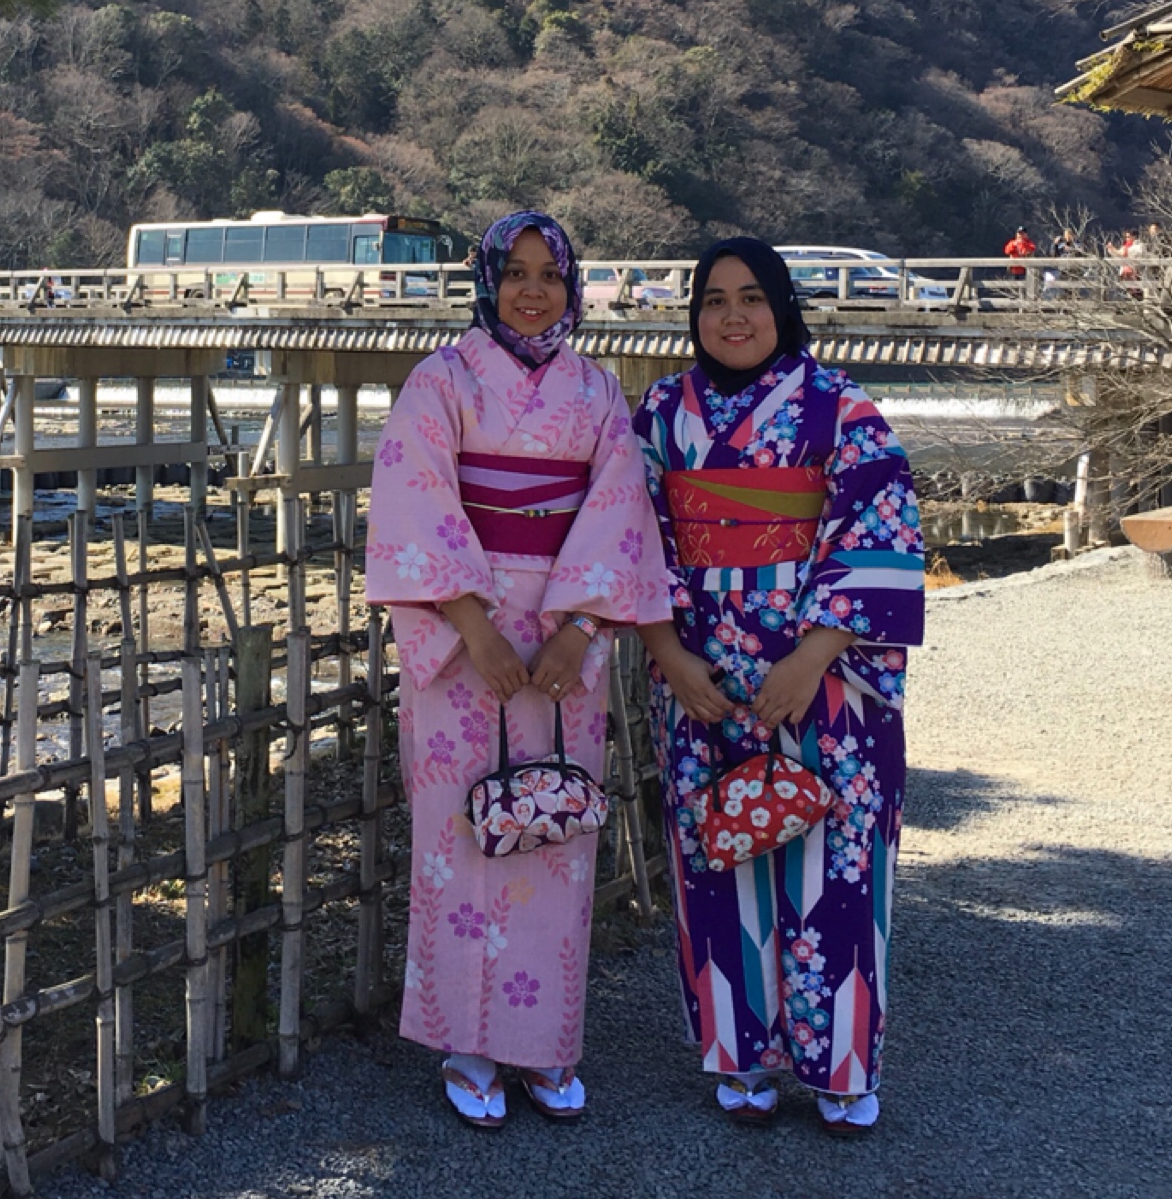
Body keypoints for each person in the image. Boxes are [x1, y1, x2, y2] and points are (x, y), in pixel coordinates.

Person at [365, 211, 670, 1128]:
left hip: (567, 634)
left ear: (572, 287)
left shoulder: (597, 391)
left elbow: (621, 507)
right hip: (460, 633)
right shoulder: (440, 380)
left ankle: (545, 1042)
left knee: (556, 826)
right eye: (516, 272)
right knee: (460, 832)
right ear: (487, 280)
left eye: (550, 274)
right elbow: (413, 497)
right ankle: (465, 1041)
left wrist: (579, 626)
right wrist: (473, 624)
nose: (532, 290)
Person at [631, 236, 924, 1136]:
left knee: (839, 866)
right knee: (717, 856)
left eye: (752, 297)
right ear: (693, 313)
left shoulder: (842, 407)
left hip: (826, 682)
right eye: (714, 299)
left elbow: (881, 528)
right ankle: (741, 1054)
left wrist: (812, 657)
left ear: (784, 305)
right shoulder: (660, 414)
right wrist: (669, 654)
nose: (733, 315)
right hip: (703, 684)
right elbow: (629, 539)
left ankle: (841, 1064)